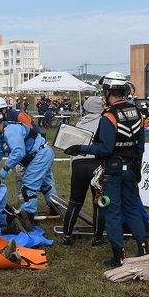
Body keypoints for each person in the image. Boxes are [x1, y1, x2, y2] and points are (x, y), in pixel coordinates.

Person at [64, 71, 148, 267]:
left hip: (113, 171)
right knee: (132, 209)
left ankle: (119, 257)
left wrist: (80, 148)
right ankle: (143, 250)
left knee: (112, 212)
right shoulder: (137, 113)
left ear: (108, 91)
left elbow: (105, 148)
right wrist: (138, 168)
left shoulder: (108, 117)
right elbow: (141, 146)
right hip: (132, 168)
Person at [0, 109, 57, 225]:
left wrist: (6, 167)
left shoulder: (11, 130)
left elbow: (19, 151)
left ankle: (28, 218)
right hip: (38, 155)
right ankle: (55, 208)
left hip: (40, 156)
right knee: (45, 186)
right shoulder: (0, 135)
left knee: (28, 189)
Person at [62, 96, 104, 246]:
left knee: (74, 202)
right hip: (97, 164)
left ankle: (66, 237)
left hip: (78, 164)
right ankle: (97, 239)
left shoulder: (80, 122)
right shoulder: (104, 121)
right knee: (98, 202)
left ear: (87, 109)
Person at [0, 96, 44, 206]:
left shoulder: (18, 116)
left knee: (31, 180)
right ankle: (23, 203)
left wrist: (10, 163)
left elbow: (31, 133)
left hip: (32, 150)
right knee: (20, 179)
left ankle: (31, 206)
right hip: (19, 153)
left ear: (3, 110)